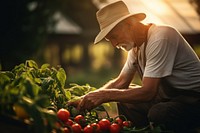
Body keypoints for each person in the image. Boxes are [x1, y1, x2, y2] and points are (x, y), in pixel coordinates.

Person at [69, 1, 200, 132]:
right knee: (124, 99)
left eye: (114, 37)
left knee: (159, 113)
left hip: (193, 100)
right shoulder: (136, 48)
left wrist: (105, 95)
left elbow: (149, 92)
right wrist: (87, 97)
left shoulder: (161, 37)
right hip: (172, 98)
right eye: (110, 40)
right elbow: (121, 82)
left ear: (129, 24)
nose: (114, 44)